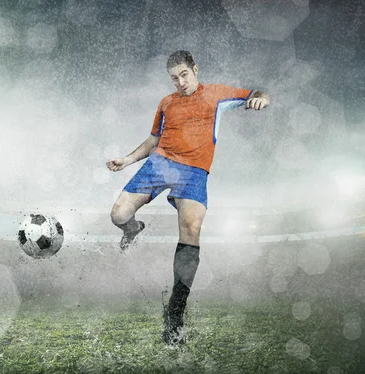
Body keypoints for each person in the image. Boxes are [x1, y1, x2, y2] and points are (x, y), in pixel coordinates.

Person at [106, 50, 270, 346]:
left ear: (195, 69)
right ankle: (133, 230)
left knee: (191, 228)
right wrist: (127, 160)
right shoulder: (166, 102)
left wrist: (261, 99)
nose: (180, 82)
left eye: (184, 74)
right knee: (118, 214)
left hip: (194, 171)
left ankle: (175, 313)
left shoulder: (217, 94)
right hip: (160, 164)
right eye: (174, 78)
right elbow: (153, 139)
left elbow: (256, 92)